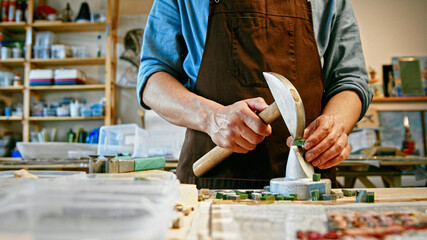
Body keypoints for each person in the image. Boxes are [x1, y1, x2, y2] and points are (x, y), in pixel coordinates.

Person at [137, 0, 373, 189]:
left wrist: (335, 127)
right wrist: (211, 117)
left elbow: (350, 79)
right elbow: (152, 80)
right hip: (210, 187)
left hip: (308, 186)